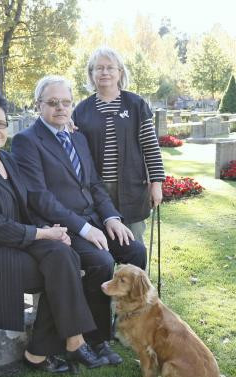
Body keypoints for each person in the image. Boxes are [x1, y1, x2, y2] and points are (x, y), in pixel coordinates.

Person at [0, 91, 108, 373]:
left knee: (63, 254)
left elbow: (22, 208)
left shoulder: (6, 161)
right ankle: (68, 342)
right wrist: (44, 235)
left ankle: (45, 351)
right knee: (60, 268)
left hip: (10, 242)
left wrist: (51, 230)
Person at [11, 76, 147, 365]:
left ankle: (126, 321)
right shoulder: (27, 141)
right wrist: (83, 228)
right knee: (101, 261)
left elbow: (94, 184)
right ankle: (95, 340)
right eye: (52, 103)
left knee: (134, 250)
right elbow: (39, 197)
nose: (60, 108)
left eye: (65, 102)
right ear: (38, 106)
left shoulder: (77, 136)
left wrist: (111, 217)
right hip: (60, 228)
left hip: (94, 219)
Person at [72, 47, 165, 244]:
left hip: (132, 189)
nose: (104, 72)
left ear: (120, 72)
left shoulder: (135, 104)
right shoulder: (81, 110)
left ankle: (136, 277)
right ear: (91, 74)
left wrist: (156, 184)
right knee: (100, 247)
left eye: (110, 68)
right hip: (96, 192)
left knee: (133, 245)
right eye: (99, 68)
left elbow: (151, 147)